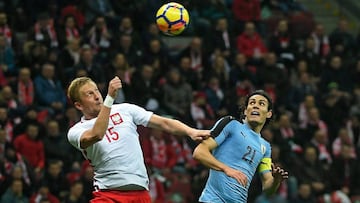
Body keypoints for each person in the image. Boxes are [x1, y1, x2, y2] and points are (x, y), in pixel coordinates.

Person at [66, 76, 210, 202]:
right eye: (89, 94)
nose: (97, 96)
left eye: (96, 90)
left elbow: (163, 122)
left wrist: (191, 131)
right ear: (79, 105)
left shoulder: (126, 109)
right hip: (109, 194)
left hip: (140, 193)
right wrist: (109, 99)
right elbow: (97, 134)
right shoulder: (76, 131)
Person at [193, 90, 289, 202]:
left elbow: (267, 187)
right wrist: (226, 169)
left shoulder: (265, 147)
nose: (256, 106)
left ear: (269, 113)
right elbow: (199, 152)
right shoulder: (231, 125)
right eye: (252, 103)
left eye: (261, 104)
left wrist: (276, 181)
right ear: (245, 110)